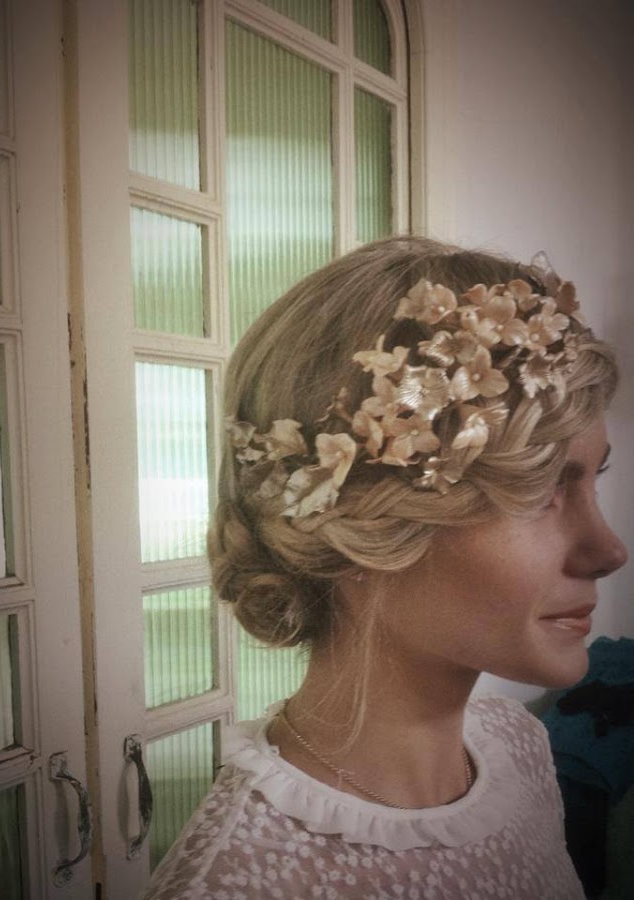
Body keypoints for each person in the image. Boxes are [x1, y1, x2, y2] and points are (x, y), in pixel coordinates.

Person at [143, 237, 628, 900]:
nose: (609, 551)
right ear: (367, 523)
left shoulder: (516, 745)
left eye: (594, 479)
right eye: (541, 489)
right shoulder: (235, 885)